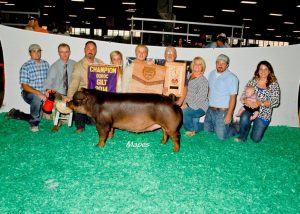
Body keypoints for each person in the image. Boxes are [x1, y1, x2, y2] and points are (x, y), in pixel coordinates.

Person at [6, 44, 49, 132]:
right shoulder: (25, 67)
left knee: (38, 118)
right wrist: (39, 93)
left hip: (42, 93)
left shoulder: (46, 64)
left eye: (38, 51)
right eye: (34, 51)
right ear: (30, 53)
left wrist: (48, 90)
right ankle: (33, 125)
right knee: (37, 99)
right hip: (28, 93)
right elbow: (24, 86)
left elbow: (48, 80)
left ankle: (15, 114)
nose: (36, 53)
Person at [235, 61, 280, 143]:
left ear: (269, 71)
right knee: (244, 116)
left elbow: (276, 102)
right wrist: (246, 101)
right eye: (261, 69)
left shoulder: (273, 84)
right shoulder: (253, 81)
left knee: (255, 139)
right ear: (257, 71)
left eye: (266, 69)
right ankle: (242, 136)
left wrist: (259, 103)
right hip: (250, 109)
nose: (263, 71)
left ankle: (256, 127)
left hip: (264, 113)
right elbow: (243, 96)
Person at [67, 41, 104, 133]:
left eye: (93, 49)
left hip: (97, 96)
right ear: (84, 50)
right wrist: (69, 96)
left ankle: (89, 119)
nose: (90, 51)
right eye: (88, 49)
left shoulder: (101, 63)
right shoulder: (78, 65)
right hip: (84, 96)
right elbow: (74, 82)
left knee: (94, 122)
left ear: (95, 51)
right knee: (78, 98)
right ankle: (80, 126)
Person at [204, 54, 238, 140]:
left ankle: (236, 127)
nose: (220, 65)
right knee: (207, 133)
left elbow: (233, 97)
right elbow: (210, 90)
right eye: (218, 62)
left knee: (221, 137)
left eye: (223, 63)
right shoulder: (211, 74)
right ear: (215, 63)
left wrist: (229, 114)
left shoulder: (232, 78)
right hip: (210, 109)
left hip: (223, 111)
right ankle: (221, 126)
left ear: (227, 65)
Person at [44, 43, 76, 132]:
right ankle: (56, 123)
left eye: (66, 52)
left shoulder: (75, 64)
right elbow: (48, 83)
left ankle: (79, 122)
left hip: (72, 92)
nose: (64, 54)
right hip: (59, 92)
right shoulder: (54, 66)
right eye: (62, 52)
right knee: (54, 98)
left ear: (69, 52)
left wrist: (71, 94)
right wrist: (48, 90)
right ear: (58, 53)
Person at [182, 56, 208, 137]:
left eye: (200, 64)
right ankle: (201, 127)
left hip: (200, 107)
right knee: (194, 126)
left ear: (202, 66)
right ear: (192, 65)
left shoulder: (203, 80)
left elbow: (201, 98)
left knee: (184, 113)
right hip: (188, 104)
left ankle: (190, 130)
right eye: (195, 64)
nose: (197, 66)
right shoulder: (188, 76)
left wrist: (187, 105)